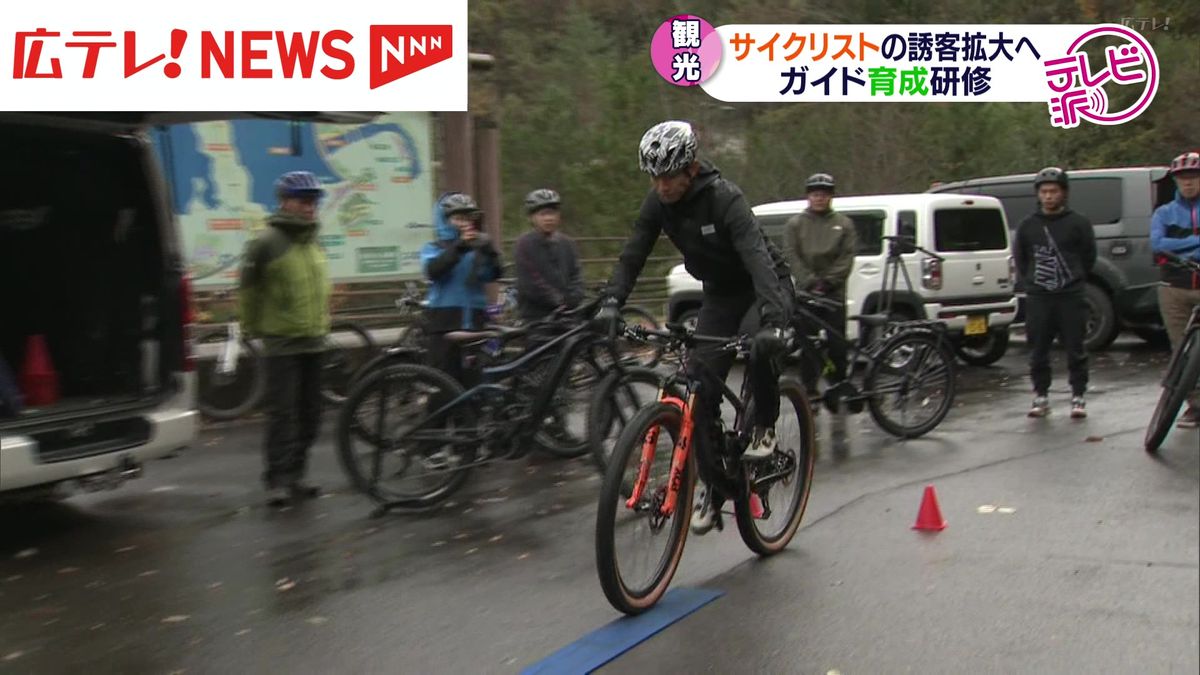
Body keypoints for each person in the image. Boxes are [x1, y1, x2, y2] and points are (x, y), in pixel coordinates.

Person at [599, 120, 793, 535]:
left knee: (761, 348)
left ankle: (764, 429)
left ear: (690, 169)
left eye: (669, 177)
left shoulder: (725, 199)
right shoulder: (657, 204)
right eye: (654, 177)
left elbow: (758, 260)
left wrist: (774, 322)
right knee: (698, 391)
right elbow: (632, 255)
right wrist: (612, 301)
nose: (661, 186)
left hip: (765, 288)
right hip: (721, 294)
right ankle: (715, 484)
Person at [239, 171, 332, 507]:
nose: (310, 208)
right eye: (303, 201)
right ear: (284, 202)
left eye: (314, 202)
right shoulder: (266, 242)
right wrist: (251, 328)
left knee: (310, 413)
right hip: (281, 342)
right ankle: (277, 478)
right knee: (283, 413)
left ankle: (297, 475)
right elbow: (248, 290)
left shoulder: (313, 240)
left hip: (314, 339)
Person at [1012, 167, 1097, 419]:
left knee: (1075, 348)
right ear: (1038, 195)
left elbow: (1088, 256)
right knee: (1038, 349)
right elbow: (1022, 259)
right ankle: (1041, 396)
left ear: (1064, 193)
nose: (1048, 196)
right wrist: (1033, 283)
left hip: (1070, 295)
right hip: (1039, 296)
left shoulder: (1078, 223)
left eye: (1054, 191)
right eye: (1044, 192)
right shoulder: (1028, 225)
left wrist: (1074, 278)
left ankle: (1078, 396)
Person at [783, 172, 858, 403]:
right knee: (809, 344)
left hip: (833, 293)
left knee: (837, 344)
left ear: (831, 197)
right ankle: (810, 389)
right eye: (815, 194)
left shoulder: (843, 224)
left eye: (824, 195)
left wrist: (828, 281)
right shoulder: (795, 224)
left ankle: (838, 385)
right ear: (808, 196)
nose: (819, 199)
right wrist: (809, 281)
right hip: (806, 294)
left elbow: (847, 256)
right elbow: (791, 255)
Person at [420, 192, 503, 387]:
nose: (463, 224)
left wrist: (490, 252)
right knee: (442, 382)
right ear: (445, 221)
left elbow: (491, 275)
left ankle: (469, 417)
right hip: (444, 320)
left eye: (467, 219)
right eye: (457, 219)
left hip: (475, 319)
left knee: (473, 381)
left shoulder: (477, 250)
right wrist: (459, 246)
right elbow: (433, 271)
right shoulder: (434, 247)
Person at [1150, 151, 1200, 429]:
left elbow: (1168, 245)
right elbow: (1158, 245)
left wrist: (1177, 245)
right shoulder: (1165, 212)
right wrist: (1196, 242)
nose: (1188, 184)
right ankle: (1195, 405)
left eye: (1193, 178)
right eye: (1183, 179)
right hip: (1174, 288)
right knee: (1181, 349)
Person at [514, 188, 585, 322]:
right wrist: (557, 301)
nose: (549, 218)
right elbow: (531, 282)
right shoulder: (524, 244)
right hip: (537, 317)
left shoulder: (567, 244)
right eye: (543, 214)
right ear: (532, 218)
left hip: (568, 315)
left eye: (552, 213)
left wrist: (573, 298)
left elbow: (576, 275)